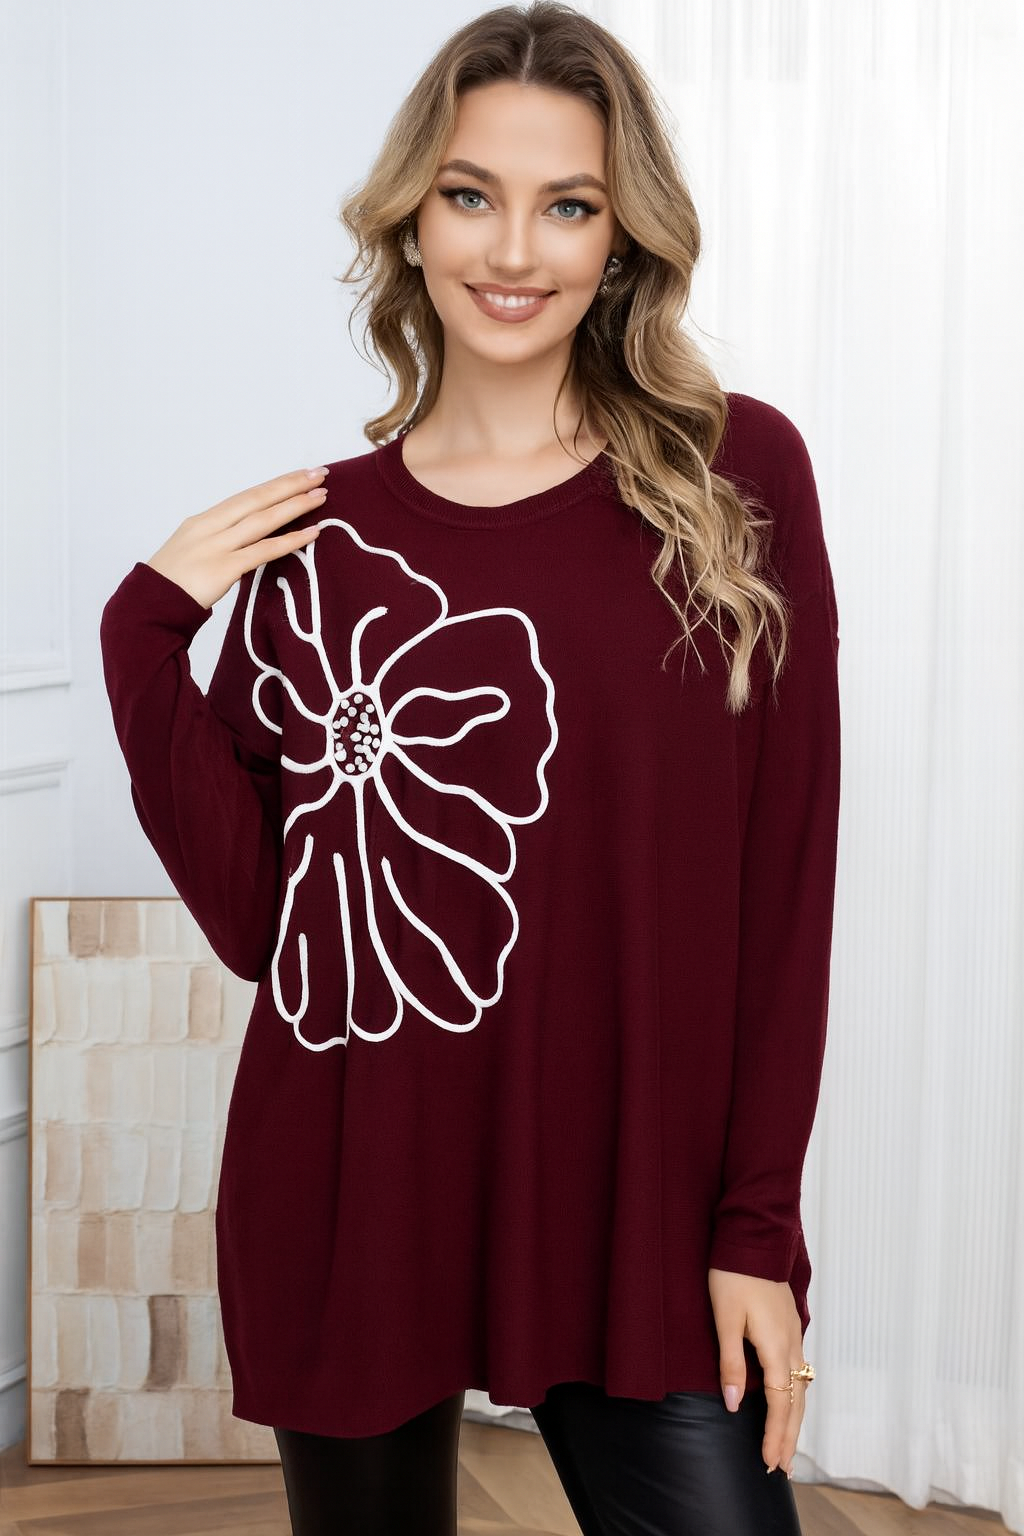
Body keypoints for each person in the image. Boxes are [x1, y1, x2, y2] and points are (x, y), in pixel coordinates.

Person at [99, 3, 841, 1532]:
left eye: (567, 205)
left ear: (621, 239)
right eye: (469, 194)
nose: (513, 250)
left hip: (636, 1211)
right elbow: (269, 927)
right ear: (410, 219)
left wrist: (755, 1230)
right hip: (359, 1190)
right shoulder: (322, 545)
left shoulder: (736, 477)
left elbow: (787, 877)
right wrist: (142, 632)